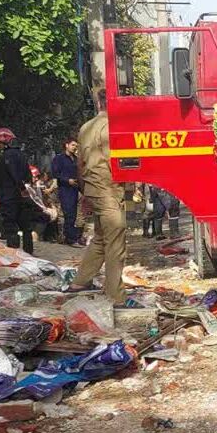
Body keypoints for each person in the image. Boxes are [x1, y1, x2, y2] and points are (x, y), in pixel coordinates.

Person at [69, 111, 126, 305]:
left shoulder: (86, 126)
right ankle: (115, 296)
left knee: (101, 238)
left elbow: (80, 163)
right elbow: (117, 162)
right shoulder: (110, 127)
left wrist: (85, 191)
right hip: (107, 189)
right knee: (115, 242)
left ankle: (80, 282)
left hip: (93, 189)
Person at [0, 127, 36, 254]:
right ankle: (28, 253)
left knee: (10, 227)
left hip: (10, 196)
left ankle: (13, 254)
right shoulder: (21, 155)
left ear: (4, 142)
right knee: (26, 227)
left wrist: (20, 188)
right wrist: (25, 190)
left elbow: (14, 174)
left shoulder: (7, 156)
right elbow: (28, 176)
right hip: (22, 196)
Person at [51, 137, 82, 245]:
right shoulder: (59, 158)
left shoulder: (75, 159)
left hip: (75, 189)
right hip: (65, 189)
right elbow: (56, 174)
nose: (75, 147)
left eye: (76, 146)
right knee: (68, 214)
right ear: (67, 145)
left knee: (73, 215)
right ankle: (70, 239)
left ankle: (68, 236)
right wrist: (67, 180)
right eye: (73, 145)